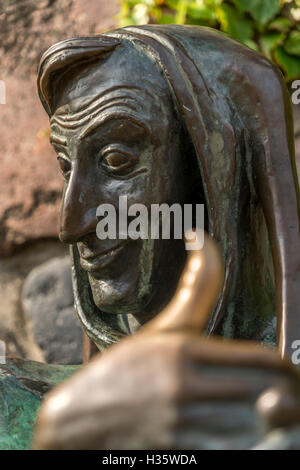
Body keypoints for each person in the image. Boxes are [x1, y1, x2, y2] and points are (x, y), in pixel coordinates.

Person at [4, 24, 300, 450]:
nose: (72, 225)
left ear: (211, 173)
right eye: (67, 167)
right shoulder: (17, 403)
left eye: (116, 160)